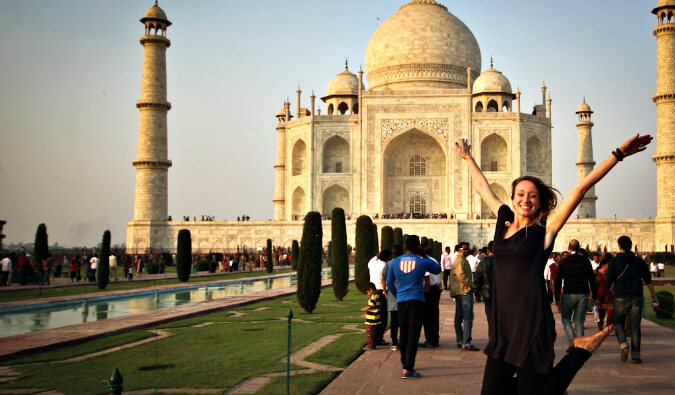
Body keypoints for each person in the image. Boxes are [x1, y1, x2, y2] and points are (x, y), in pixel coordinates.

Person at [455, 133, 651, 393]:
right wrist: (468, 158)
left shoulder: (544, 230)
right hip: (503, 327)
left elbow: (580, 190)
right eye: (521, 194)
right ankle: (580, 349)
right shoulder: (503, 219)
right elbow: (482, 187)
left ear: (539, 203)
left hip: (531, 324)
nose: (526, 200)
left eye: (533, 196)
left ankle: (579, 352)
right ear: (512, 198)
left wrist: (618, 154)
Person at [386, 235, 441, 379]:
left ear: (405, 245)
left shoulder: (395, 262)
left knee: (403, 332)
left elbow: (389, 283)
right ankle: (408, 368)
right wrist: (424, 254)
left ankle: (404, 362)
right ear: (418, 247)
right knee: (413, 334)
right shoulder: (421, 262)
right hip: (417, 300)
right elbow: (437, 269)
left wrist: (397, 295)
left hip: (402, 301)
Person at [606, 235, 659, 364]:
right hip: (636, 297)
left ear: (619, 246)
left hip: (620, 297)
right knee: (635, 326)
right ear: (631, 246)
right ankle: (636, 356)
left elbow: (608, 280)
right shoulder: (639, 261)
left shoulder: (614, 261)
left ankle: (623, 345)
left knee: (618, 323)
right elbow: (648, 280)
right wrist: (653, 296)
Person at [554, 239, 598, 351]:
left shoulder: (564, 261)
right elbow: (591, 279)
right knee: (579, 320)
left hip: (569, 293)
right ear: (579, 248)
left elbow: (558, 280)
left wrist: (557, 295)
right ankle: (579, 344)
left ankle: (572, 341)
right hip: (582, 293)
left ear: (569, 248)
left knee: (566, 318)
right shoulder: (585, 261)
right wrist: (595, 294)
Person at [449, 241, 479, 351]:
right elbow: (461, 275)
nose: (467, 250)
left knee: (459, 316)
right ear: (459, 249)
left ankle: (461, 340)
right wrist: (472, 285)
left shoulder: (461, 259)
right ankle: (466, 342)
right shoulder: (460, 260)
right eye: (465, 249)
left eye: (468, 249)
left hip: (460, 291)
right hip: (464, 291)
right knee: (467, 317)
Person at [382, 244, 403, 351]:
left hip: (392, 296)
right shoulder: (404, 264)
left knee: (394, 320)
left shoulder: (389, 264)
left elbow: (383, 279)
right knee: (403, 320)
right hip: (404, 295)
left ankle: (394, 342)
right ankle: (403, 341)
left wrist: (385, 292)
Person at [421, 239, 442, 348]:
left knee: (427, 316)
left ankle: (430, 340)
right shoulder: (433, 259)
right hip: (435, 289)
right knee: (434, 315)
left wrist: (425, 290)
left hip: (428, 290)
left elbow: (427, 277)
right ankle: (434, 338)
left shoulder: (423, 261)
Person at [473, 241, 495, 339]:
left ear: (488, 251)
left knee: (491, 320)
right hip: (503, 295)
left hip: (488, 294)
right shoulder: (505, 262)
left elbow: (477, 279)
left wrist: (476, 293)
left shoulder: (483, 263)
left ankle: (493, 341)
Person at [369, 249, 390, 345]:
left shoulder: (372, 262)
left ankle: (375, 338)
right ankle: (379, 338)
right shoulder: (384, 265)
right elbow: (384, 280)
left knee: (374, 315)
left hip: (373, 291)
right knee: (382, 316)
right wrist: (386, 293)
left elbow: (376, 256)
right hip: (381, 292)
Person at [595, 255, 614, 331]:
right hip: (599, 296)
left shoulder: (610, 274)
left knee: (611, 311)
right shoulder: (596, 273)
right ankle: (600, 327)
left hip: (608, 295)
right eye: (608, 265)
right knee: (600, 313)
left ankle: (608, 326)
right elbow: (593, 286)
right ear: (604, 265)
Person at [361, 282, 382, 350]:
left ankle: (371, 345)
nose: (367, 294)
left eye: (367, 292)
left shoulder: (374, 296)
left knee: (369, 333)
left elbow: (371, 305)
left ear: (371, 290)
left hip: (372, 319)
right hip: (376, 318)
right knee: (374, 332)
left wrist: (365, 308)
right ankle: (373, 344)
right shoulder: (377, 295)